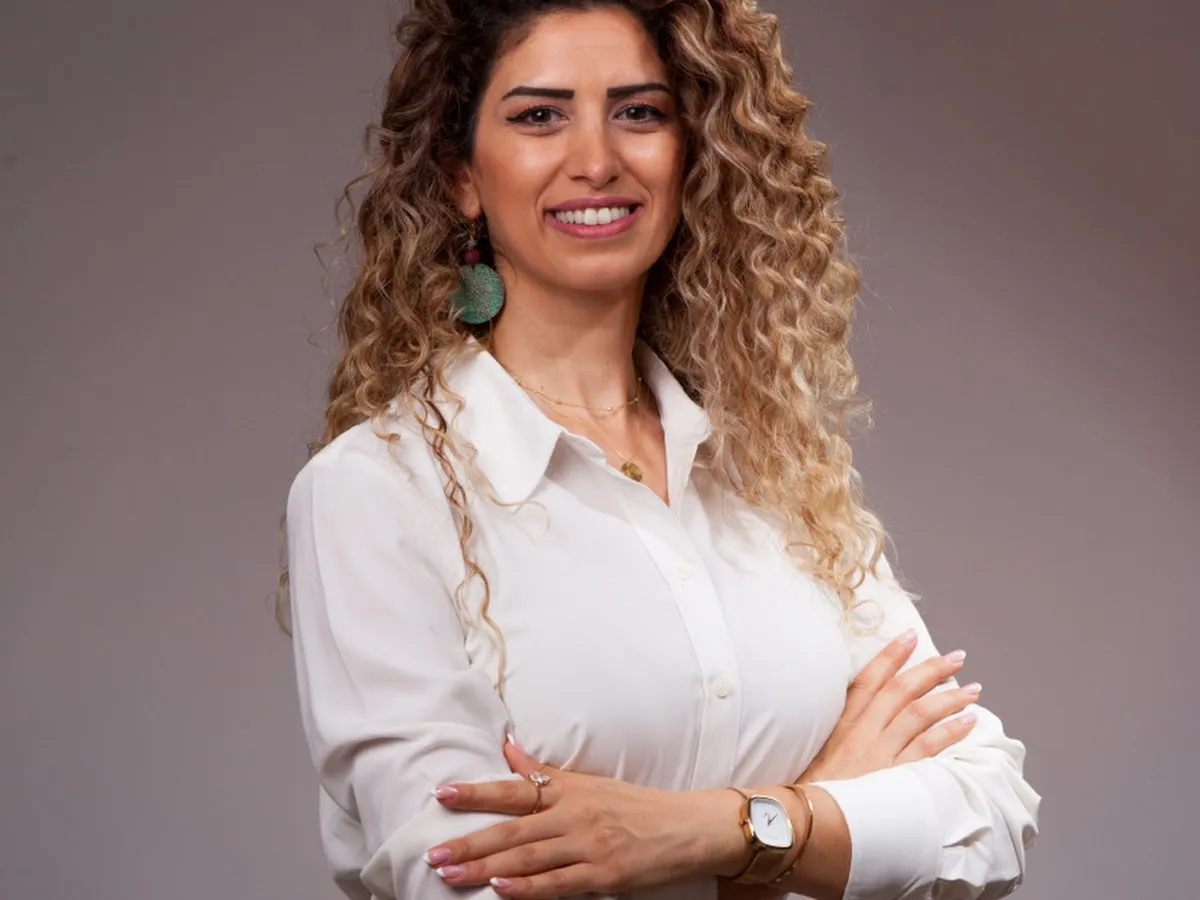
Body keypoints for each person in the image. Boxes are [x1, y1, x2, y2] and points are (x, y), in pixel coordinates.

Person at [278, 2, 1041, 899]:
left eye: (639, 112)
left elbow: (990, 817)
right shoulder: (375, 494)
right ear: (461, 176)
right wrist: (801, 832)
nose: (597, 159)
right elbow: (465, 884)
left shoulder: (768, 467)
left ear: (692, 156)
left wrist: (716, 831)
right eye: (539, 115)